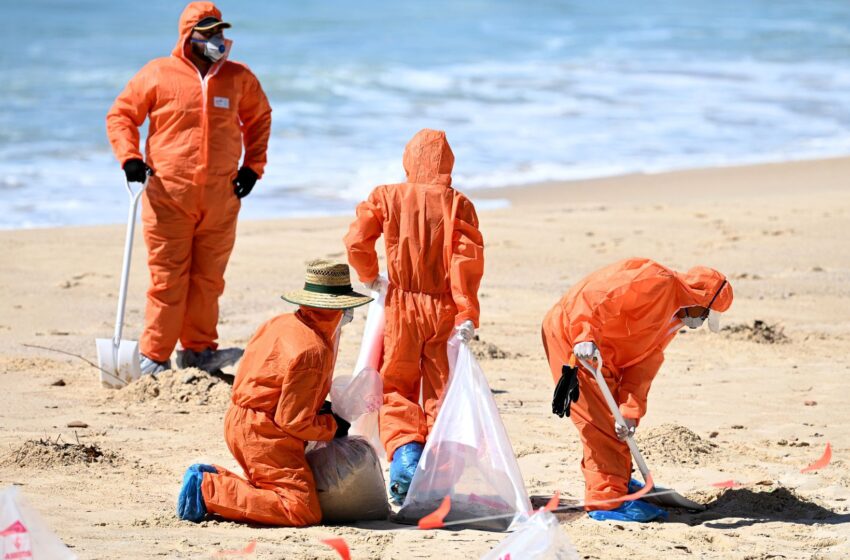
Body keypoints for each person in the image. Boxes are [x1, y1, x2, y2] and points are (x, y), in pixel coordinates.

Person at [106, 2, 272, 375]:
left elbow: (259, 118)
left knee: (208, 279)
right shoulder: (158, 74)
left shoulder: (238, 77)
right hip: (168, 195)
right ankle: (155, 355)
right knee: (168, 278)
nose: (217, 38)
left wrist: (252, 167)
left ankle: (198, 351)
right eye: (208, 31)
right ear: (189, 35)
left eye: (219, 31)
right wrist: (130, 158)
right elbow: (121, 115)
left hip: (222, 196)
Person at [343, 128, 485, 503]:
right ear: (448, 164)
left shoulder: (386, 196)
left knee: (397, 385)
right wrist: (467, 310)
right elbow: (465, 260)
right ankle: (435, 478)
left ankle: (406, 457)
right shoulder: (459, 204)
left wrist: (370, 276)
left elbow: (356, 240)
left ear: (408, 160)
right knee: (442, 389)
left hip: (402, 303)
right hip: (443, 306)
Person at [176, 260, 372, 525]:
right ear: (337, 309)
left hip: (241, 420)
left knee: (274, 488)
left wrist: (317, 406)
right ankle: (207, 488)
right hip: (263, 433)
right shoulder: (314, 350)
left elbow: (273, 383)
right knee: (300, 509)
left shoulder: (279, 323)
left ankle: (211, 477)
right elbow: (293, 420)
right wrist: (331, 425)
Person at [542, 258, 733, 522]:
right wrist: (584, 334)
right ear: (698, 300)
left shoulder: (674, 319)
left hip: (605, 354)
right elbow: (597, 296)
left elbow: (642, 366)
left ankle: (618, 480)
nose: (700, 323)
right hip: (573, 338)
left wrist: (630, 412)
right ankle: (607, 500)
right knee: (600, 426)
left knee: (618, 426)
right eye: (704, 315)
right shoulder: (655, 279)